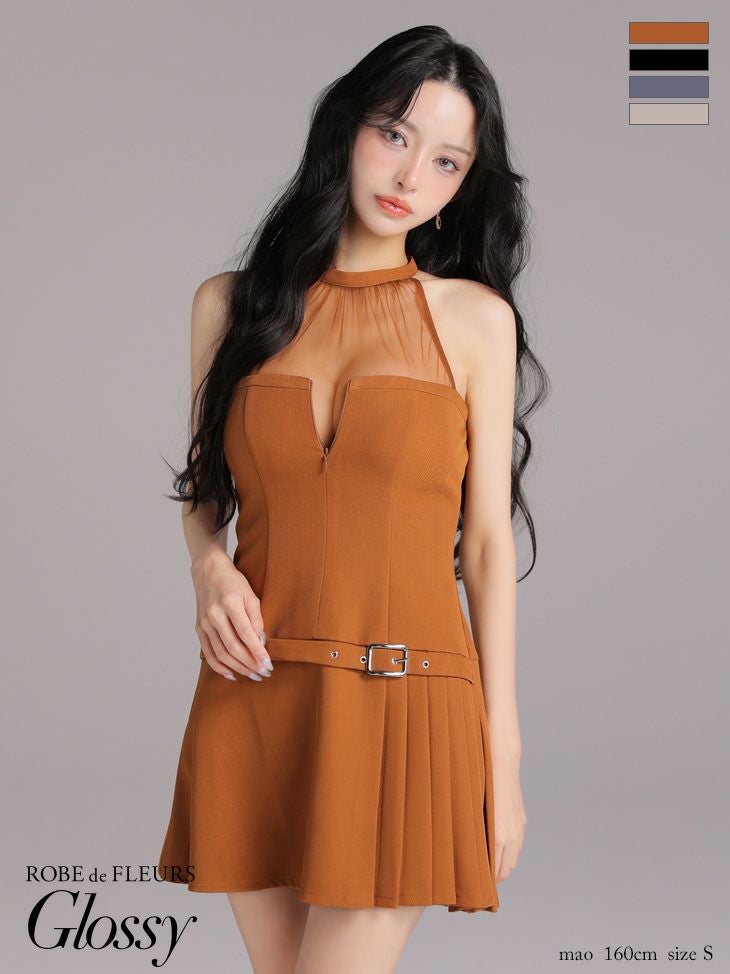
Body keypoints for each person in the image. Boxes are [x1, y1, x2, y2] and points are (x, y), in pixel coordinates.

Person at [157, 24, 547, 974]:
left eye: (447, 160)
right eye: (395, 134)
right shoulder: (228, 306)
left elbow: (486, 546)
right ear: (346, 126)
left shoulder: (475, 322)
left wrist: (502, 754)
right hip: (254, 694)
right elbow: (204, 491)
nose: (411, 175)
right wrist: (209, 568)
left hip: (406, 701)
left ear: (465, 185)